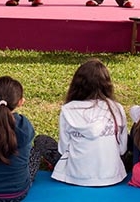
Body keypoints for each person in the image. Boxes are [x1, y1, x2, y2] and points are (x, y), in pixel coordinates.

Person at [51, 58, 128, 186]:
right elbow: (122, 149)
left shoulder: (68, 110)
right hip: (112, 176)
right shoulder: (117, 109)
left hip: (75, 176)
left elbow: (63, 148)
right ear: (107, 84)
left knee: (42, 141)